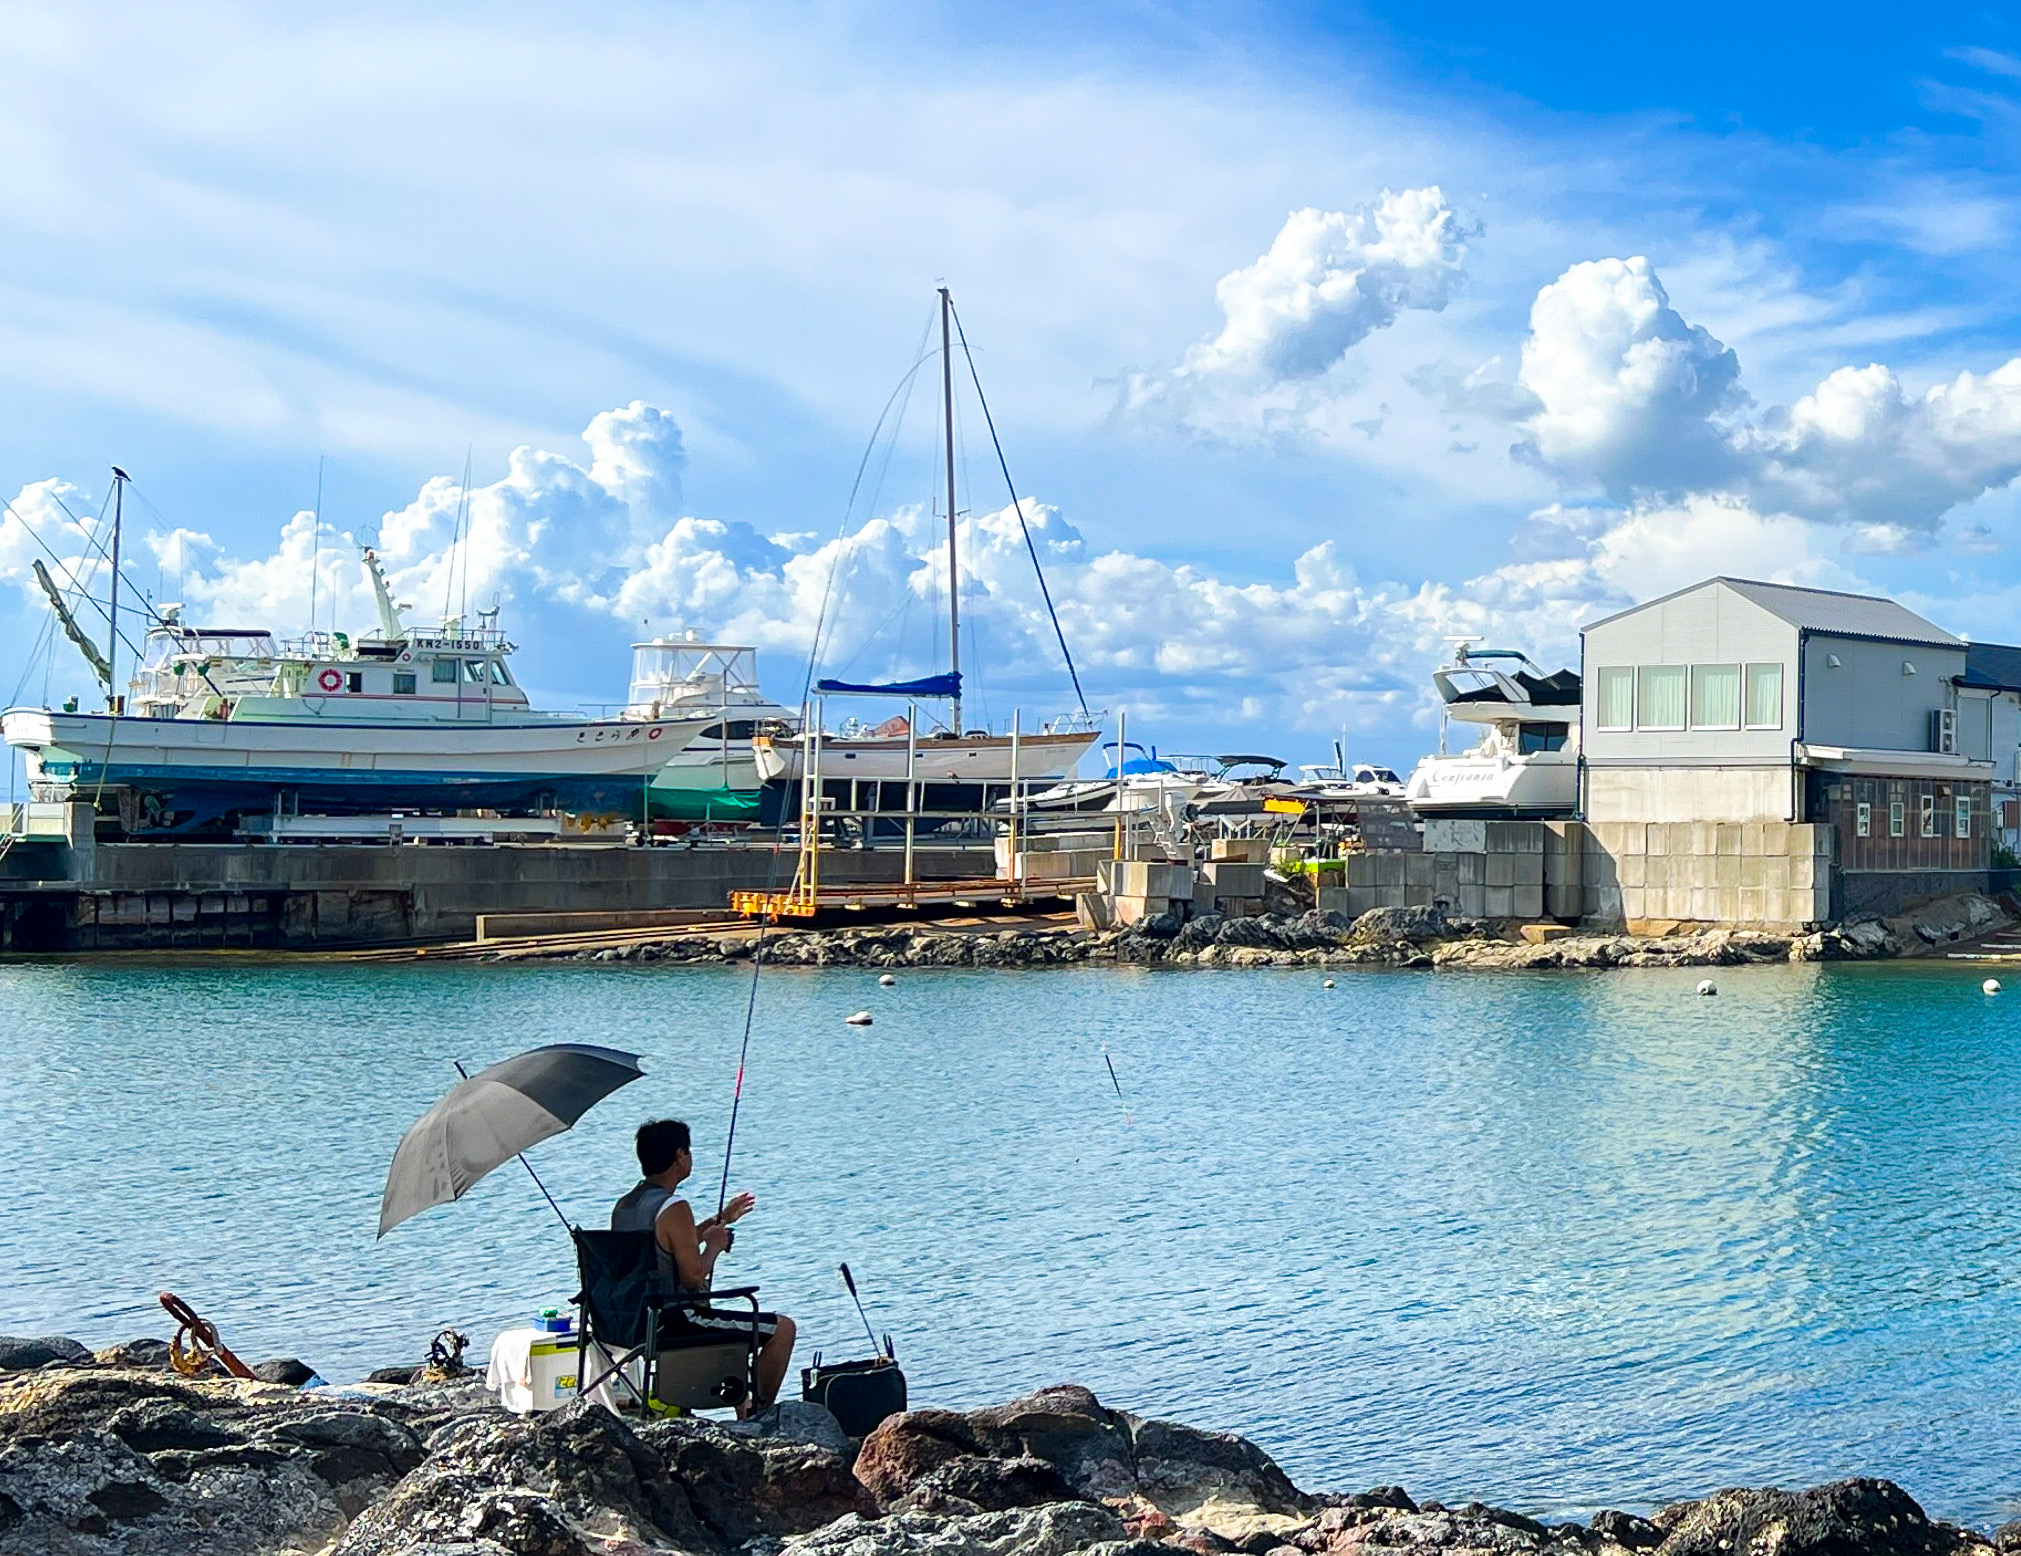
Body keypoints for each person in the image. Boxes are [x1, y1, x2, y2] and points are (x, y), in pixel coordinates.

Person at [611, 1117, 796, 1416]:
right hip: (674, 1321)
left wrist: (720, 1220)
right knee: (782, 1329)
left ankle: (744, 1409)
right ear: (680, 1156)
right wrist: (715, 1247)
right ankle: (758, 1418)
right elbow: (694, 1276)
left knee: (733, 1326)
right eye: (689, 1151)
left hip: (631, 1322)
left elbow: (664, 1247)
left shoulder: (626, 1205)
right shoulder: (675, 1207)